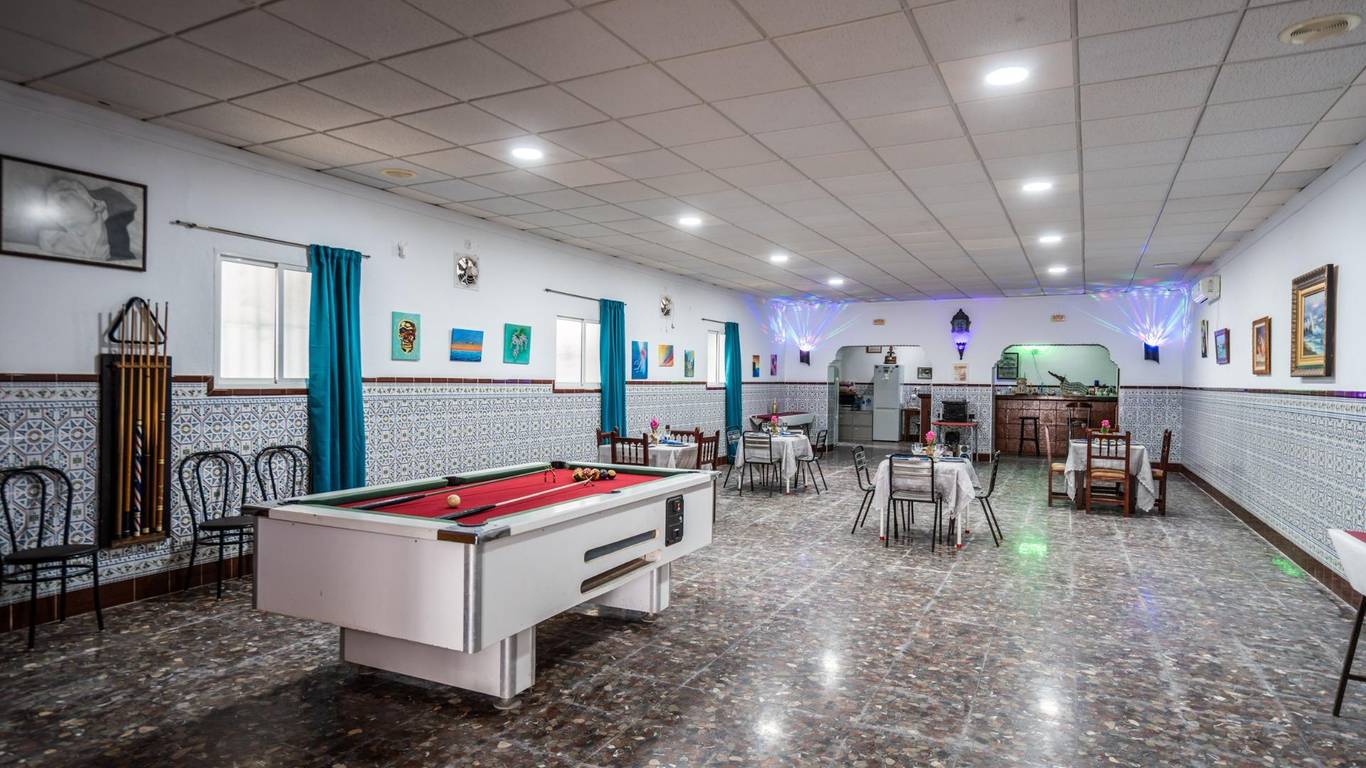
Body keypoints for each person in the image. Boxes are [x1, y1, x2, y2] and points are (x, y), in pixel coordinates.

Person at [35, 176, 137, 263]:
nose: (62, 208)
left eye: (64, 199)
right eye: (55, 207)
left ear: (88, 199)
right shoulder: (57, 240)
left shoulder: (115, 227)